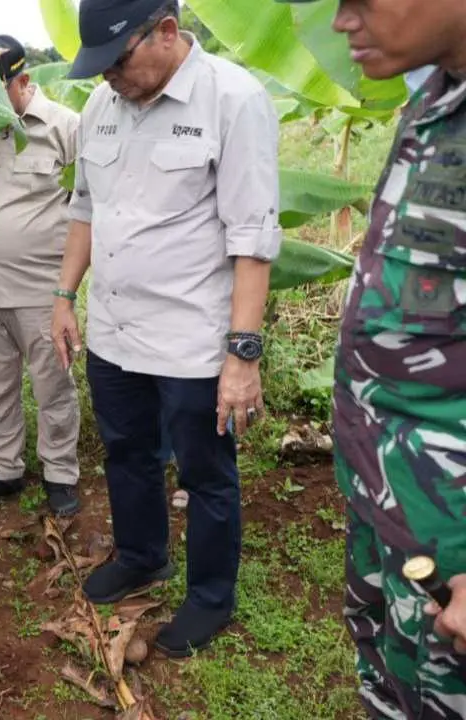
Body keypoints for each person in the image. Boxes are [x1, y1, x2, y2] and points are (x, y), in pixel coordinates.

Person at [51, 0, 281, 657]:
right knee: (126, 452)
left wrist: (242, 356)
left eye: (117, 61)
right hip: (115, 330)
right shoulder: (104, 105)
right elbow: (85, 208)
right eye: (99, 67)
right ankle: (143, 555)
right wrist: (64, 295)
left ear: (168, 32)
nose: (108, 77)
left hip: (192, 339)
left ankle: (210, 598)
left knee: (204, 474)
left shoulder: (233, 100)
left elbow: (252, 238)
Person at [274, 0, 466, 714]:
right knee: (390, 684)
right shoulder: (435, 99)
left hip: (455, 539)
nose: (342, 22)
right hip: (394, 503)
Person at [0, 35, 82, 518]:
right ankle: (2, 470)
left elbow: (89, 205)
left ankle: (60, 473)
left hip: (40, 292)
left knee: (53, 388)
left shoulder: (65, 128)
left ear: (22, 81)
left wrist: (69, 291)